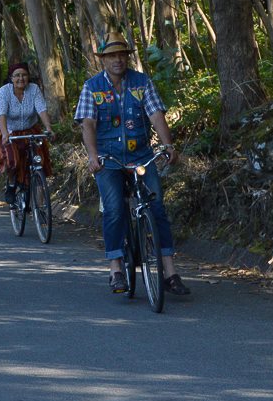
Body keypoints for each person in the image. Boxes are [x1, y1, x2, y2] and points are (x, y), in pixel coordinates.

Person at [74, 32, 189, 296]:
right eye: (112, 56)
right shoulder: (91, 87)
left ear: (127, 57)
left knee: (156, 206)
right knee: (114, 209)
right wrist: (93, 156)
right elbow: (87, 124)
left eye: (122, 55)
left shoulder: (141, 82)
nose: (118, 60)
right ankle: (116, 269)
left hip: (141, 156)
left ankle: (170, 272)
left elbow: (156, 114)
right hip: (108, 160)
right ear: (103, 60)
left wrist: (168, 145)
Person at [0, 62, 56, 202]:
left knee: (39, 160)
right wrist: (4, 133)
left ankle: (38, 203)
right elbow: (1, 114)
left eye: (24, 75)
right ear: (11, 78)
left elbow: (41, 109)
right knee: (11, 160)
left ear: (28, 77)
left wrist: (49, 128)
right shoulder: (4, 92)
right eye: (17, 75)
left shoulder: (34, 89)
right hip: (10, 132)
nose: (21, 78)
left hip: (30, 130)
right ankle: (11, 184)